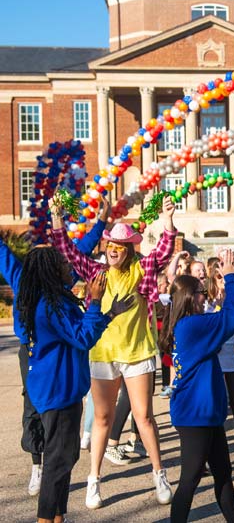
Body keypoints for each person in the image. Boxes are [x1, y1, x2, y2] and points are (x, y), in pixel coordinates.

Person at [51, 196, 177, 509]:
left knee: (144, 416)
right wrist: (56, 217)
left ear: (129, 248)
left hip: (136, 352)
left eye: (119, 244)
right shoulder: (96, 270)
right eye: (110, 244)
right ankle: (94, 480)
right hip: (104, 355)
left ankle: (159, 474)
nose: (114, 249)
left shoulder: (142, 267)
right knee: (103, 418)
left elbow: (163, 252)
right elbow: (66, 250)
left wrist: (168, 222)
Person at [15, 247, 133, 523]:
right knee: (58, 461)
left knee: (65, 457)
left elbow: (79, 328)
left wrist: (109, 313)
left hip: (60, 388)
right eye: (63, 264)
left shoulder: (54, 300)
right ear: (51, 270)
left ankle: (58, 516)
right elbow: (83, 337)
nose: (69, 267)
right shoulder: (49, 306)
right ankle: (46, 519)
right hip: (58, 390)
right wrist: (95, 301)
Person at [1, 201, 111, 497]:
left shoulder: (60, 280)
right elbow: (3, 253)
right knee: (33, 407)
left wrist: (101, 220)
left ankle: (51, 471)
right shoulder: (23, 278)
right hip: (34, 348)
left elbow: (82, 250)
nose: (65, 264)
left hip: (60, 346)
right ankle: (39, 465)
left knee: (61, 428)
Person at [161, 249, 234, 522]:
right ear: (188, 297)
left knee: (222, 473)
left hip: (205, 412)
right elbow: (231, 319)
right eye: (200, 293)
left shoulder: (186, 323)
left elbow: (219, 329)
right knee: (191, 478)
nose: (204, 296)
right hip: (196, 414)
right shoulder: (191, 326)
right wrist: (231, 277)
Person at [207, 257, 234, 468]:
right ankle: (210, 456)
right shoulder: (207, 305)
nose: (222, 282)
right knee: (214, 410)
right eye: (218, 277)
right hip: (215, 365)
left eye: (225, 277)